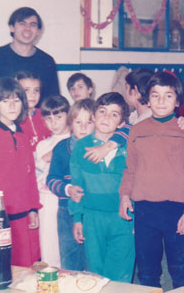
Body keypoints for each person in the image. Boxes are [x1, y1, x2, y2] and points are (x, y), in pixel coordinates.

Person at [119, 72, 184, 288]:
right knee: (147, 272)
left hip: (176, 209)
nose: (161, 101)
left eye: (168, 96)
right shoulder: (137, 130)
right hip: (144, 209)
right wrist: (125, 195)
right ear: (147, 100)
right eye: (155, 95)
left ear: (177, 101)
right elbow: (130, 168)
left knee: (180, 270)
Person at [0, 77, 41, 266]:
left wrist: (32, 208)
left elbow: (30, 176)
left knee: (23, 268)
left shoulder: (22, 135)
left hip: (22, 213)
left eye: (16, 100)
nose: (12, 106)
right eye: (5, 101)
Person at [70, 93, 134, 282]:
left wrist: (137, 218)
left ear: (121, 123)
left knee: (121, 274)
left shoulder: (129, 146)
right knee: (96, 274)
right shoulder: (81, 146)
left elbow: (136, 182)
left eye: (114, 114)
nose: (106, 117)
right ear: (94, 115)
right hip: (92, 218)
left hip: (123, 217)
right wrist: (77, 219)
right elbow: (77, 186)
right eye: (102, 111)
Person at [0, 6, 60, 127]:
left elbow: (53, 102)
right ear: (12, 27)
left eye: (33, 25)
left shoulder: (47, 61)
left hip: (36, 129)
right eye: (22, 23)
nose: (27, 28)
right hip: (0, 129)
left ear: (38, 31)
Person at [46, 99, 95, 271]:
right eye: (78, 122)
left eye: (89, 122)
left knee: (92, 260)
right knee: (69, 260)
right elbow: (51, 179)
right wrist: (67, 189)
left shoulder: (101, 148)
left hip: (92, 212)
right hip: (66, 210)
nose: (83, 127)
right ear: (70, 123)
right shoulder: (61, 148)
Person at [35, 95, 71, 268]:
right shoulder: (42, 145)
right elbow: (36, 176)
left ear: (68, 115)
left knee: (68, 246)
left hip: (66, 198)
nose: (53, 123)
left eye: (58, 117)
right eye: (48, 119)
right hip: (46, 200)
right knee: (49, 247)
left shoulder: (74, 141)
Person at [15, 71, 51, 151]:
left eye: (36, 90)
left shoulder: (46, 114)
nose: (33, 94)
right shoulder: (13, 119)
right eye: (26, 90)